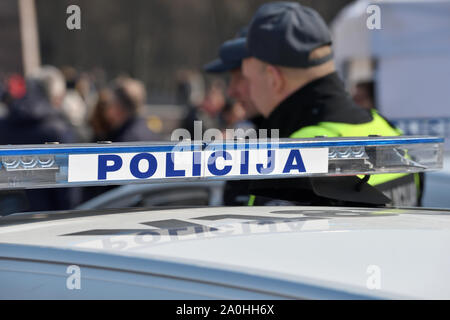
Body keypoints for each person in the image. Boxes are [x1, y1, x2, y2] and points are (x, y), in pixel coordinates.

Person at [240, 2, 421, 207]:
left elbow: (262, 239)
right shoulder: (388, 130)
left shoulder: (291, 161)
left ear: (274, 78)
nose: (248, 91)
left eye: (248, 79)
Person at [0, 66, 80, 214]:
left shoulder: (4, 124)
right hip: (47, 226)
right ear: (57, 96)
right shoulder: (59, 131)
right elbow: (69, 195)